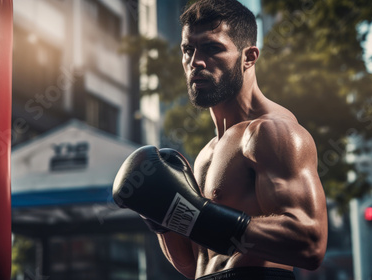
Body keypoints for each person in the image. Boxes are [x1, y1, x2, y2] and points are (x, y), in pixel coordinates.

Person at [113, 0, 328, 279]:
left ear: (248, 57)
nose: (195, 62)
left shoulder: (272, 132)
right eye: (188, 50)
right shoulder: (207, 153)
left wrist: (200, 216)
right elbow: (194, 265)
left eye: (212, 48)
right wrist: (160, 218)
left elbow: (310, 244)